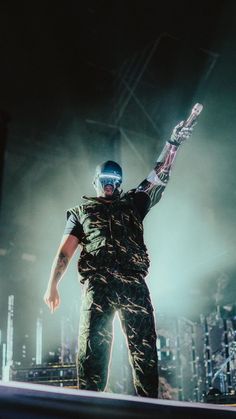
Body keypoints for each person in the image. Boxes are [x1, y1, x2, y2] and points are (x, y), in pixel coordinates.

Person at [44, 120, 195, 397]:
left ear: (120, 182)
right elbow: (65, 251)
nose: (110, 184)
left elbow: (158, 175)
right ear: (96, 181)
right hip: (98, 285)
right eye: (105, 180)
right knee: (92, 348)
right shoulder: (81, 211)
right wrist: (52, 285)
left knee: (144, 349)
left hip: (133, 284)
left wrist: (172, 144)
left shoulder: (134, 203)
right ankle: (89, 406)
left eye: (115, 180)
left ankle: (149, 407)